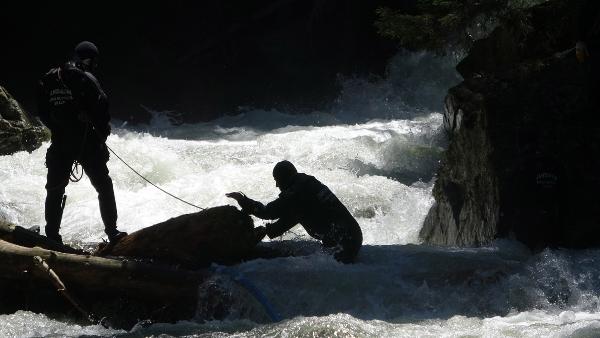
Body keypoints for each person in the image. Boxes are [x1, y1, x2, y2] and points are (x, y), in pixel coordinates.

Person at [37, 41, 127, 244]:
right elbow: (102, 106)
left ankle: (52, 236)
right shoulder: (86, 78)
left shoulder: (49, 78)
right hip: (86, 143)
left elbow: (42, 112)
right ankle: (112, 233)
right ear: (90, 60)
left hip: (60, 143)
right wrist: (101, 137)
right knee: (104, 186)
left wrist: (57, 128)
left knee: (55, 189)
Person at [227, 160, 363, 263]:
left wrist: (242, 200)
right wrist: (270, 230)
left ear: (284, 178)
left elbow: (269, 212)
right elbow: (292, 215)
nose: (276, 185)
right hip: (351, 238)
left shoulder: (297, 191)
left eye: (277, 180)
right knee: (297, 211)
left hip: (345, 244)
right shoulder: (306, 183)